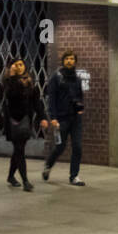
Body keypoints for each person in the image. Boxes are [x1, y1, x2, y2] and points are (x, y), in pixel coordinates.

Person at [2, 58, 48, 191]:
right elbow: (11, 95)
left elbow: (36, 102)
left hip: (25, 121)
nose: (19, 67)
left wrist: (42, 117)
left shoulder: (29, 82)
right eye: (16, 65)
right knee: (19, 150)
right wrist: (12, 76)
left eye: (21, 65)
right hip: (13, 121)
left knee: (18, 150)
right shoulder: (8, 81)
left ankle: (11, 176)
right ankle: (25, 181)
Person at [42, 49, 86, 186]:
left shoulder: (77, 79)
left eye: (72, 59)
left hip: (75, 119)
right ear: (63, 61)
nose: (69, 61)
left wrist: (80, 108)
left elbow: (80, 97)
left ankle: (74, 176)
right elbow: (52, 98)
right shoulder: (56, 77)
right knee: (60, 147)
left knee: (77, 146)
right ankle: (48, 165)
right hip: (61, 118)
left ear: (75, 61)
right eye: (67, 59)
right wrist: (53, 117)